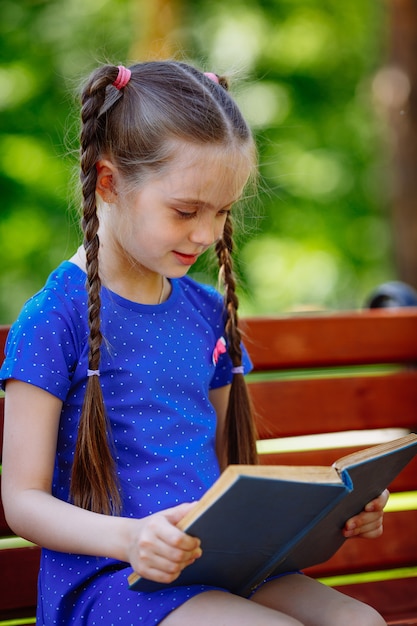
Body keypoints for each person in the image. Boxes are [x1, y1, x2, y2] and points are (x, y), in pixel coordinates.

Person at [0, 61, 388, 626]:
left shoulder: (205, 311)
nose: (206, 235)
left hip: (219, 566)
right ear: (107, 183)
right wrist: (132, 539)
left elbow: (233, 478)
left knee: (361, 622)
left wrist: (332, 513)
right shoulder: (55, 320)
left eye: (222, 212)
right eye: (185, 211)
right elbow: (23, 502)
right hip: (114, 579)